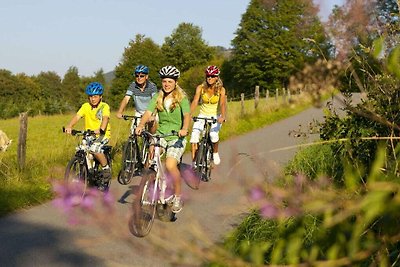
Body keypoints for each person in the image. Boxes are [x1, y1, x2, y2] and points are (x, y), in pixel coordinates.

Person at [135, 66, 190, 213]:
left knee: (171, 165)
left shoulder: (182, 98)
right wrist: (141, 124)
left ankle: (178, 197)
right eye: (164, 81)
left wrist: (184, 129)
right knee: (151, 160)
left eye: (170, 81)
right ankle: (152, 185)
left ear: (175, 82)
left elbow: (187, 116)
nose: (166, 84)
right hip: (160, 134)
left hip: (176, 137)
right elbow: (148, 112)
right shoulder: (157, 97)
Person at [64, 82, 112, 190]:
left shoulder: (104, 106)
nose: (93, 99)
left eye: (95, 96)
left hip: (102, 134)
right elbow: (77, 116)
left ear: (100, 97)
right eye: (90, 97)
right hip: (89, 134)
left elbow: (105, 118)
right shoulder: (85, 106)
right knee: (81, 150)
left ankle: (106, 168)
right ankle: (85, 173)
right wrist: (70, 126)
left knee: (95, 149)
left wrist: (101, 129)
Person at [190, 65, 227, 167]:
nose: (209, 78)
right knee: (194, 137)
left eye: (212, 76)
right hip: (202, 115)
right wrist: (189, 114)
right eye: (208, 76)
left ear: (216, 77)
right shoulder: (200, 88)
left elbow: (222, 104)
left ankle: (215, 152)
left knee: (213, 135)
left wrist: (222, 116)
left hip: (215, 116)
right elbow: (195, 101)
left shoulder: (221, 90)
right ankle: (194, 162)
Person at [116, 64, 158, 131]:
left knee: (151, 133)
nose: (139, 78)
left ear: (146, 76)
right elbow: (126, 99)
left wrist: (153, 115)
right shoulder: (133, 85)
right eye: (137, 76)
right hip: (139, 112)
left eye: (142, 76)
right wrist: (120, 112)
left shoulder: (152, 86)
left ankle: (152, 140)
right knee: (133, 132)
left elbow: (156, 101)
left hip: (150, 112)